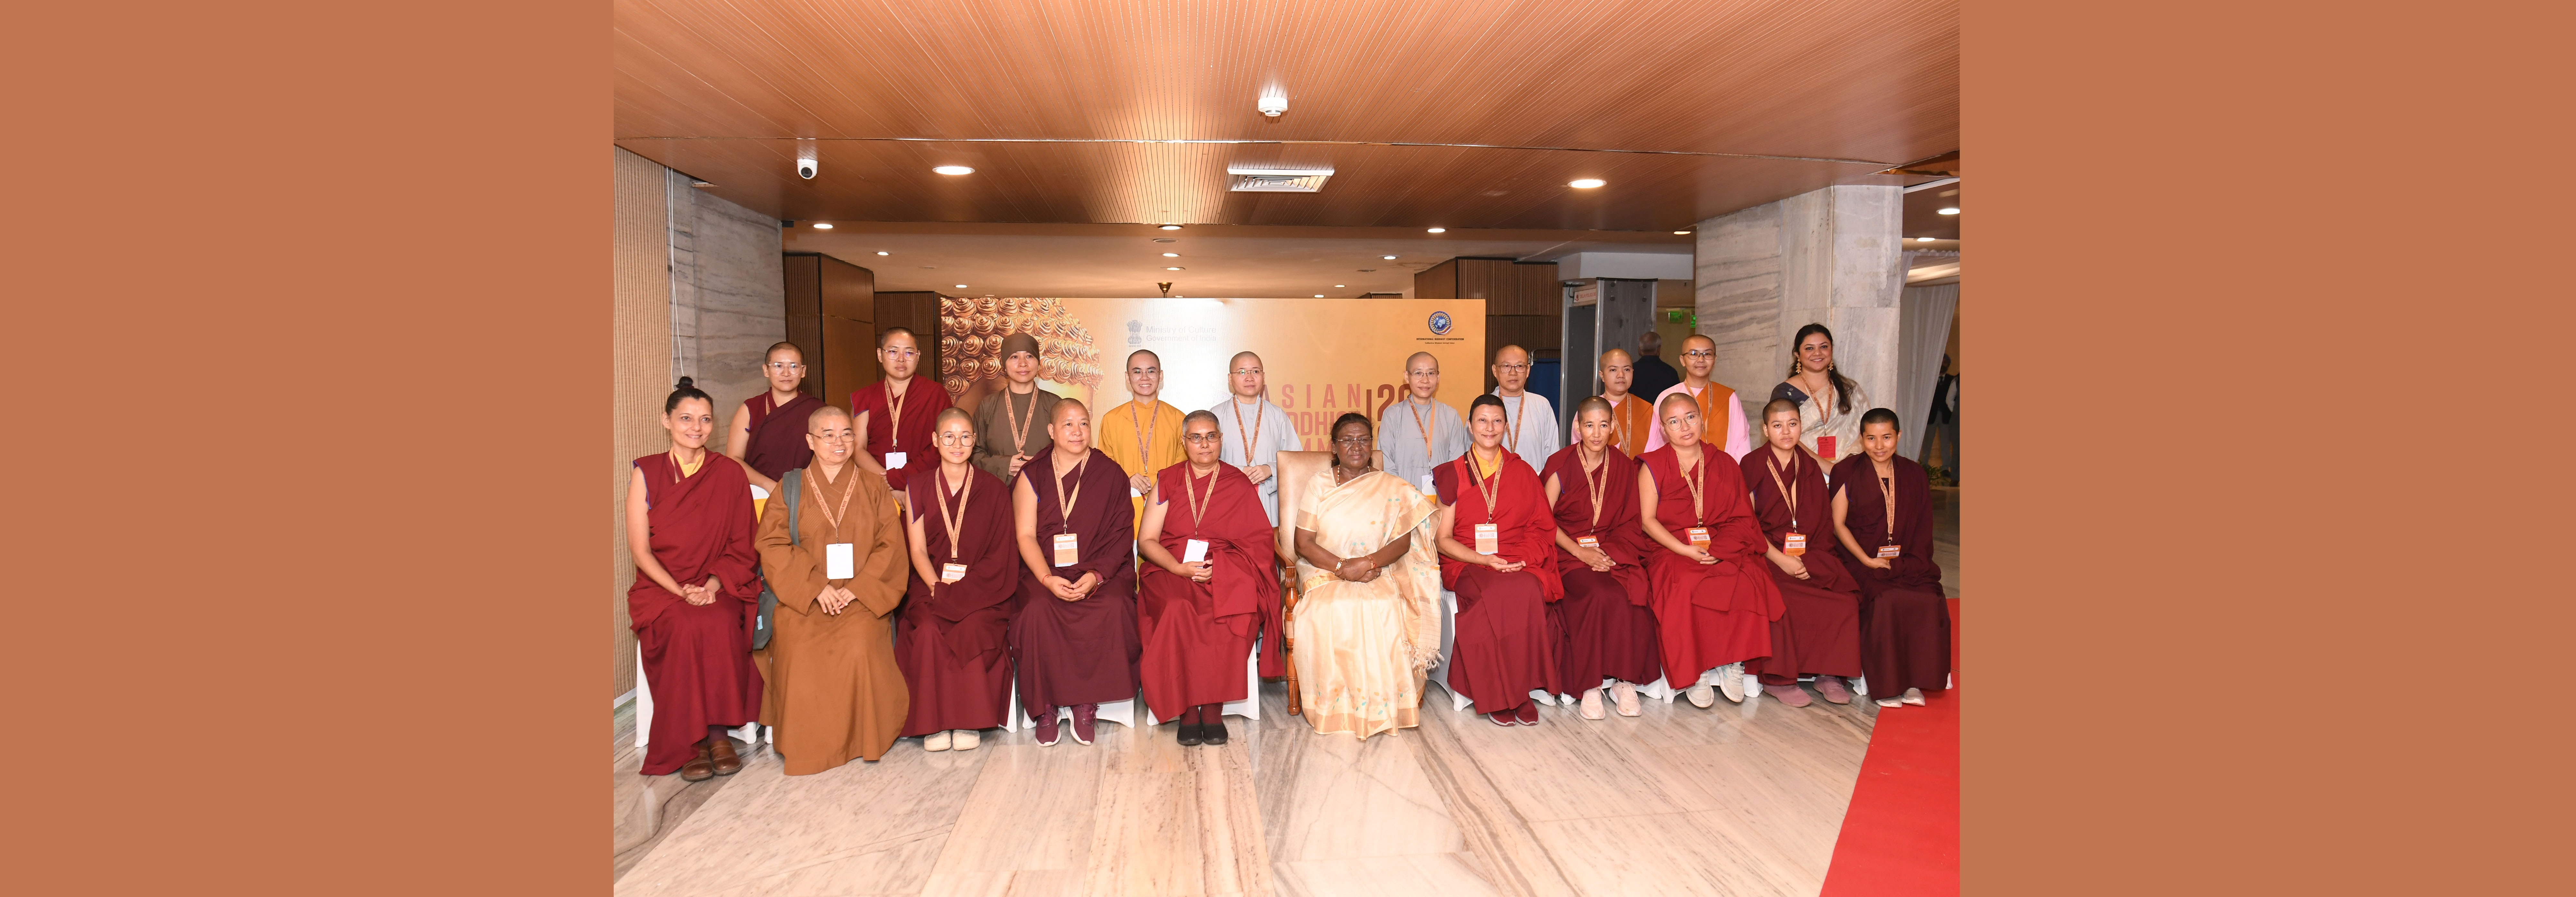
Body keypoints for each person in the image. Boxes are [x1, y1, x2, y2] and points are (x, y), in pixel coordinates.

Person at [753, 406, 909, 773]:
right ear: (810, 441)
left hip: (862, 596)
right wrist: (815, 588)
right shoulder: (788, 488)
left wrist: (857, 590)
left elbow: (891, 547)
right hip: (804, 597)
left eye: (847, 434)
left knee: (858, 642)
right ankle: (807, 742)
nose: (839, 443)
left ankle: (862, 737)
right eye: (828, 435)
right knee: (799, 644)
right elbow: (773, 545)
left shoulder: (874, 487)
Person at [626, 377, 763, 780]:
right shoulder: (647, 472)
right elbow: (640, 550)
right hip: (661, 588)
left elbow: (744, 544)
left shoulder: (728, 473)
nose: (696, 427)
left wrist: (712, 586)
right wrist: (680, 591)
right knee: (684, 627)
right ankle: (693, 739)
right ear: (666, 421)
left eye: (705, 420)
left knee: (720, 621)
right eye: (686, 418)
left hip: (717, 583)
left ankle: (719, 732)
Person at [1290, 414, 1445, 739]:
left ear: (1372, 446)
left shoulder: (1391, 486)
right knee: (1328, 610)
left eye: (1363, 439)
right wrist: (1342, 567)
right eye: (1347, 440)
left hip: (1377, 569)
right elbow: (1302, 543)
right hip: (1324, 570)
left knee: (1385, 607)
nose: (1356, 446)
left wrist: (1366, 563)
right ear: (1334, 447)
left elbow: (1402, 541)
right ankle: (1336, 706)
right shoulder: (1319, 484)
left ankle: (1384, 706)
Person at [1135, 411, 1279, 746]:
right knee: (1176, 608)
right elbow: (1147, 541)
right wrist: (1178, 568)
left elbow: (1258, 542)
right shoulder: (1168, 479)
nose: (1204, 444)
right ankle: (1187, 709)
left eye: (1211, 436)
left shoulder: (1238, 482)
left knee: (1234, 607)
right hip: (1171, 568)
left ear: (1221, 440)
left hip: (1225, 568)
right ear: (1184, 442)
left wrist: (1225, 566)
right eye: (1196, 437)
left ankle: (1213, 709)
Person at [1636, 391, 1782, 708]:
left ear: (1701, 420)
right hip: (1672, 548)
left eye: (1690, 417)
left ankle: (1734, 663)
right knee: (1685, 582)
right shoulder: (1652, 466)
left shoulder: (1725, 463)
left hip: (1721, 542)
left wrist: (1722, 548)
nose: (1684, 427)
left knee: (1746, 577)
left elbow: (1742, 517)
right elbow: (1648, 521)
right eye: (1674, 422)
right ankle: (1697, 670)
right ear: (1663, 430)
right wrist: (1685, 551)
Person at [1009, 399, 1141, 746]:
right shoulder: (1032, 474)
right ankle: (1046, 707)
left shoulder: (1110, 473)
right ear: (1052, 431)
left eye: (1083, 423)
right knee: (1037, 610)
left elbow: (1121, 536)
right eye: (1068, 424)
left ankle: (1087, 702)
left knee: (1111, 607)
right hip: (1045, 570)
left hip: (1099, 570)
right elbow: (1024, 535)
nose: (1077, 431)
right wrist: (1046, 579)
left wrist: (1097, 576)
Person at [1430, 395, 1564, 727]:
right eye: (1482, 421)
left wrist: (1516, 558)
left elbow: (1541, 527)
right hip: (1467, 561)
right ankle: (1503, 695)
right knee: (1496, 594)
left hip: (1515, 557)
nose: (1489, 429)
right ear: (1470, 425)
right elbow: (1442, 539)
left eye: (1497, 422)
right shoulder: (1453, 473)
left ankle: (1517, 690)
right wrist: (1484, 560)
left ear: (1506, 427)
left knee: (1527, 589)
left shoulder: (1523, 471)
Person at [898, 408, 1016, 752]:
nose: (957, 444)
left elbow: (1000, 553)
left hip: (982, 587)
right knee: (930, 627)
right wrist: (938, 587)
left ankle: (968, 719)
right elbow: (917, 550)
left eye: (965, 437)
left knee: (973, 624)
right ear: (935, 441)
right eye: (949, 437)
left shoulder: (994, 489)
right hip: (930, 583)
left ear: (974, 441)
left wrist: (964, 591)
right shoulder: (917, 486)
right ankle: (935, 723)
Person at [1540, 397, 1664, 720]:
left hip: (1611, 551)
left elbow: (1630, 521)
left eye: (1604, 425)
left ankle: (1624, 681)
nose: (1596, 433)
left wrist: (1609, 554)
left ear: (1613, 428)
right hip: (1568, 552)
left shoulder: (1623, 466)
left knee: (1633, 593)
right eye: (1589, 425)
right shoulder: (1561, 463)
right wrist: (1581, 552)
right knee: (1597, 593)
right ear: (1578, 427)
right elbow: (1543, 520)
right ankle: (1591, 684)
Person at [1741, 399, 1864, 707]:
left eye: (1793, 425)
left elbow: (1823, 524)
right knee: (1779, 598)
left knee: (1844, 599)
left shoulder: (1809, 466)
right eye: (1778, 426)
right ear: (1765, 429)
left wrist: (1809, 561)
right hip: (1766, 555)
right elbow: (1746, 524)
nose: (1786, 432)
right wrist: (1780, 559)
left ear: (1801, 427)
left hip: (1808, 555)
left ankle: (1829, 673)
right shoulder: (1752, 465)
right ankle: (1779, 680)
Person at [1830, 408, 1952, 709]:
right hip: (1860, 562)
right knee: (1886, 599)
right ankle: (1886, 684)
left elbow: (1924, 528)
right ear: (1862, 440)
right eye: (1871, 438)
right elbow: (1838, 524)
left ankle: (1913, 680)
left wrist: (1907, 563)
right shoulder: (1847, 472)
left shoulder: (1913, 474)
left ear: (1899, 436)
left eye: (1887, 437)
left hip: (1907, 561)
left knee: (1927, 597)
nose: (1880, 446)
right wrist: (1868, 561)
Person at [851, 327, 951, 494]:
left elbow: (942, 444)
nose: (901, 360)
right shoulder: (865, 397)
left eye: (909, 353)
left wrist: (899, 479)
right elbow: (857, 448)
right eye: (893, 352)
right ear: (879, 355)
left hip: (924, 484)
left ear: (918, 356)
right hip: (877, 488)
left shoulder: (935, 393)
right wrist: (888, 485)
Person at [1097, 349, 1187, 533]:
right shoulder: (1111, 419)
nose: (1144, 377)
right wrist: (1127, 478)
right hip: (1123, 504)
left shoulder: (1179, 419)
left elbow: (1184, 467)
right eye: (1137, 372)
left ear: (1161, 376)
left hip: (1167, 504)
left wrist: (1158, 480)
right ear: (1127, 377)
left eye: (1151, 371)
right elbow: (1104, 467)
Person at [1209, 351, 1304, 525]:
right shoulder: (1215, 416)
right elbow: (1203, 462)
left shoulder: (1278, 416)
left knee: (1268, 548)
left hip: (1269, 498)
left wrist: (1270, 470)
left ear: (1263, 376)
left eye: (1255, 371)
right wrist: (1238, 471)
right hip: (1228, 498)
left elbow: (1297, 461)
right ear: (1230, 379)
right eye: (1242, 372)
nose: (1250, 378)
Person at [726, 341, 825, 493]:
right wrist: (769, 486)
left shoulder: (817, 410)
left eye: (794, 366)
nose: (786, 373)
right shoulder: (750, 409)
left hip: (806, 493)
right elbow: (734, 458)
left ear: (803, 371)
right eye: (778, 366)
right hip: (759, 492)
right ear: (766, 370)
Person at [1770, 323, 1870, 467]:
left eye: (1824, 347)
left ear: (1832, 350)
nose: (1817, 353)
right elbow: (1784, 437)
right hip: (1801, 469)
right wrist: (1828, 468)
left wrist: (1845, 468)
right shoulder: (1785, 392)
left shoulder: (1849, 389)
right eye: (1809, 348)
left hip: (1849, 469)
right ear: (1798, 354)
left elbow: (1867, 431)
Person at [1643, 333, 1753, 460]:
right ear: (1682, 360)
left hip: (1720, 473)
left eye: (1708, 354)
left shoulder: (1729, 397)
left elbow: (1742, 442)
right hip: (1678, 472)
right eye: (1694, 354)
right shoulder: (1668, 397)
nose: (1701, 360)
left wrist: (1732, 473)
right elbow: (1655, 441)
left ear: (1715, 360)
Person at [1376, 351, 1469, 495]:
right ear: (1407, 377)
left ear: (1438, 377)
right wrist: (1403, 495)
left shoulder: (1450, 416)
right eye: (1418, 373)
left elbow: (1457, 463)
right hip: (1402, 499)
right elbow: (1386, 461)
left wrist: (1444, 493)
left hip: (1441, 497)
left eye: (1431, 374)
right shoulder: (1392, 415)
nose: (1425, 380)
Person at [970, 333, 1059, 483]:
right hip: (999, 492)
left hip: (1045, 490)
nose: (1023, 364)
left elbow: (1069, 451)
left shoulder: (1055, 405)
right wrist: (1003, 465)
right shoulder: (988, 405)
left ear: (1039, 364)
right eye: (1014, 357)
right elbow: (973, 453)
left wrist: (1042, 465)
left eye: (1030, 356)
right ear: (1004, 364)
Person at [1488, 344, 1560, 471]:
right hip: (1493, 486)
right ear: (1495, 371)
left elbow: (1553, 454)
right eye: (1506, 366)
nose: (1513, 373)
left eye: (1520, 367)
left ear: (1528, 371)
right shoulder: (1483, 407)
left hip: (1535, 484)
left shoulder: (1542, 405)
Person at [1595, 348, 1654, 457]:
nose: (1621, 375)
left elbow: (1655, 453)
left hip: (1641, 473)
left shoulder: (1647, 410)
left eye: (1627, 370)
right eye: (1613, 370)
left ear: (1633, 372)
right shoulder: (1590, 410)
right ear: (1602, 376)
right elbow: (1581, 453)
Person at [1924, 354, 1959, 480]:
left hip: (1946, 416)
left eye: (1946, 363)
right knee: (1928, 441)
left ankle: (1945, 468)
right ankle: (1924, 465)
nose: (1943, 365)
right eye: (1942, 362)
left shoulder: (1952, 380)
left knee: (1946, 442)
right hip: (1931, 416)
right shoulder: (1930, 380)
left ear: (1948, 365)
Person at [1630, 331, 1680, 403]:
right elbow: (1676, 400)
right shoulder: (1671, 372)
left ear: (1639, 350)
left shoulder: (1630, 371)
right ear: (1659, 350)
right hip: (1663, 413)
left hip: (1636, 413)